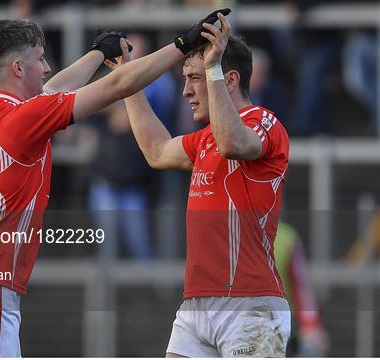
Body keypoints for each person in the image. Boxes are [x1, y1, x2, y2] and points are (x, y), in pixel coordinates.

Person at [0, 13, 223, 357]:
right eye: (40, 59)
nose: (46, 69)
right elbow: (117, 86)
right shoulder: (22, 120)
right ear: (17, 69)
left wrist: (99, 52)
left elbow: (54, 89)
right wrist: (183, 45)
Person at [121, 13, 291, 357]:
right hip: (196, 306)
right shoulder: (204, 139)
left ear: (228, 79)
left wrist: (211, 66)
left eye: (194, 78)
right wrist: (127, 80)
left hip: (251, 306)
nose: (185, 91)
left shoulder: (264, 122)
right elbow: (156, 151)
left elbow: (233, 144)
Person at [274, 221, 329, 357]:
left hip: (281, 324)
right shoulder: (224, 231)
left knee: (311, 349)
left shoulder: (286, 237)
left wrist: (310, 324)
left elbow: (301, 286)